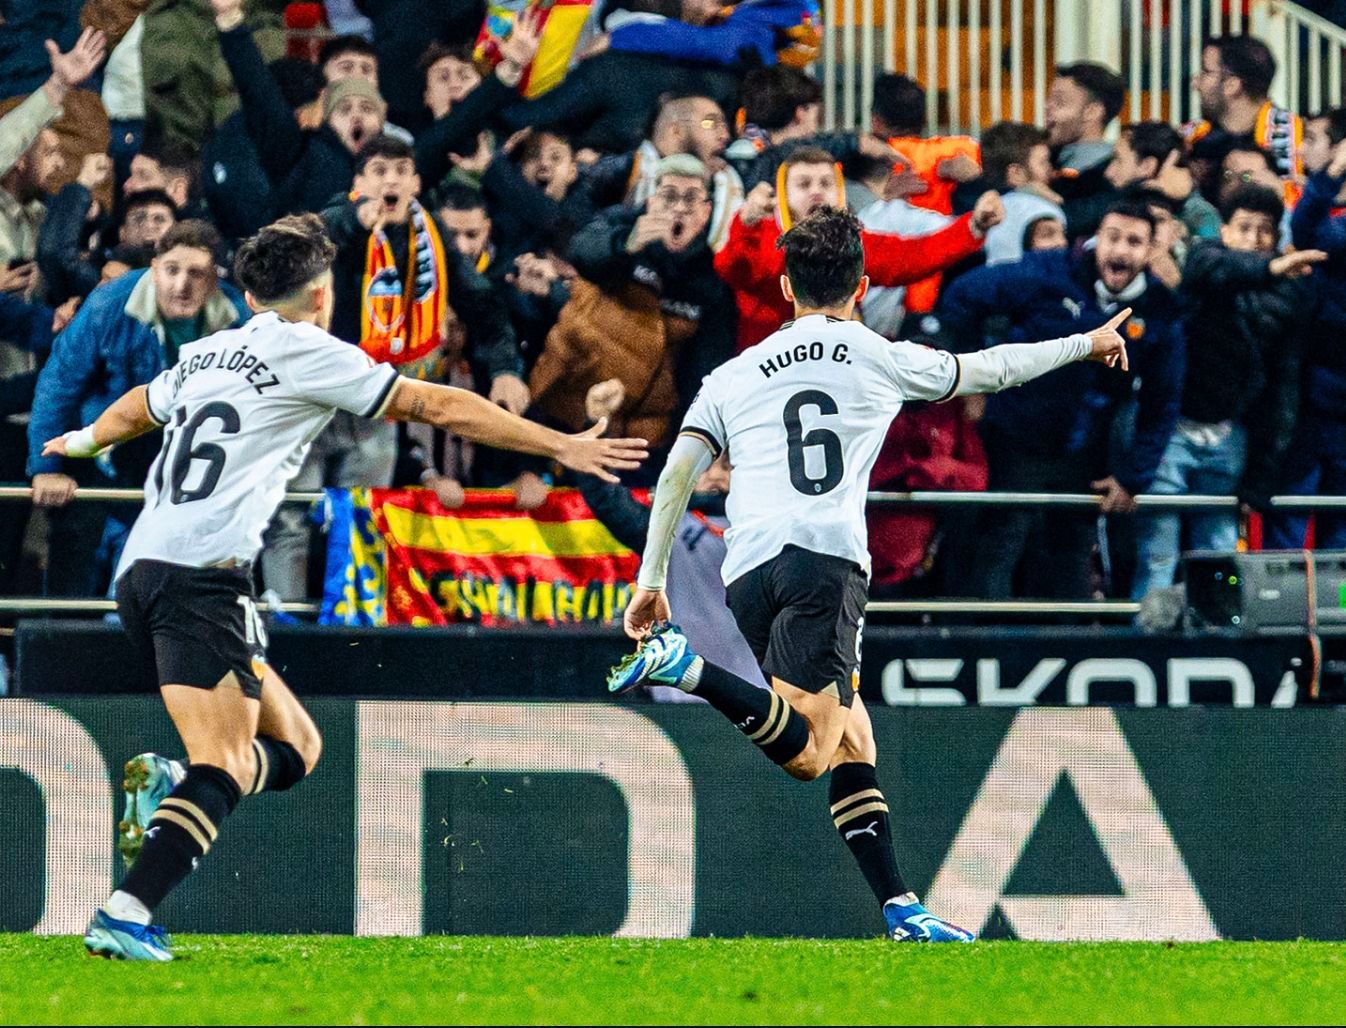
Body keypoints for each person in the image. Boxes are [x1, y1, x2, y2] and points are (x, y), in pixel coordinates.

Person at [46, 213, 647, 961]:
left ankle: (172, 787)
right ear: (323, 295)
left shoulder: (208, 352)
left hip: (143, 570)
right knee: (226, 762)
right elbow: (434, 404)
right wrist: (559, 443)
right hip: (201, 577)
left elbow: (139, 404)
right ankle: (126, 912)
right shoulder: (311, 351)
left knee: (297, 747)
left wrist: (80, 441)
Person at [606, 206, 1131, 942]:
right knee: (810, 753)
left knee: (853, 737)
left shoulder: (730, 374)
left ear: (785, 286)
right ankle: (687, 668)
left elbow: (677, 476)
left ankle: (902, 909)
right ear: (861, 286)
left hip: (748, 566)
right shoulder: (880, 355)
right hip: (825, 561)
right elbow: (994, 367)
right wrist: (1085, 341)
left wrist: (650, 580)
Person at [935, 201, 1185, 600]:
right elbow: (963, 296)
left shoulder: (1161, 310)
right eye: (1113, 238)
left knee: (1069, 554)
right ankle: (983, 648)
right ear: (1096, 239)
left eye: (1134, 242)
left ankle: (1069, 647)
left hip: (1086, 449)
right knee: (999, 545)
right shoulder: (1049, 271)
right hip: (1014, 435)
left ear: (1152, 250)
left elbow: (1163, 401)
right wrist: (971, 382)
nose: (1120, 251)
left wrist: (1133, 476)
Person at [27, 221, 248, 598]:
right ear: (154, 267)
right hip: (103, 444)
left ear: (214, 279)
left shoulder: (237, 319)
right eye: (172, 270)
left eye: (196, 273)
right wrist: (45, 468)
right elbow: (59, 383)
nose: (182, 285)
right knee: (78, 555)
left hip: (183, 456)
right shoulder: (110, 304)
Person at [1131, 185, 1321, 598]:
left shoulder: (1290, 295)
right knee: (1157, 554)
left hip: (1229, 434)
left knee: (1217, 554)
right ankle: (1144, 645)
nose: (1254, 240)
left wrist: (1260, 476)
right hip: (1173, 432)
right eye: (1244, 227)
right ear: (1225, 230)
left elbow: (1283, 391)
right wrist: (1270, 270)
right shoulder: (1204, 261)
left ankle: (1217, 646)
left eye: (1265, 230)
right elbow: (1213, 269)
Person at [715, 146, 1002, 350]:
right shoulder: (761, 236)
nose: (817, 191)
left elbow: (912, 257)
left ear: (840, 193)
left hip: (841, 374)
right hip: (770, 376)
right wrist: (748, 222)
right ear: (782, 196)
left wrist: (974, 226)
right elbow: (734, 268)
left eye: (826, 183)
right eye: (804, 184)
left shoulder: (852, 240)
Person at [1186, 35, 1303, 204]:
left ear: (1232, 85)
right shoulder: (1195, 134)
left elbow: (1299, 205)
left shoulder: (1287, 131)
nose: (1196, 84)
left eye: (1206, 72)